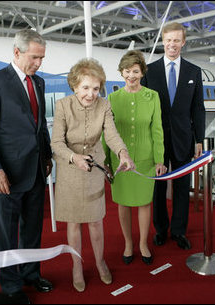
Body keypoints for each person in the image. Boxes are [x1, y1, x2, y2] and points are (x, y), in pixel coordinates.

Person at [0, 29, 53, 304]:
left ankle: (31, 273)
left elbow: (39, 126)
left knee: (32, 229)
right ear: (16, 53)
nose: (39, 64)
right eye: (34, 57)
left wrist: (48, 155)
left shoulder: (38, 83)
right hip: (5, 175)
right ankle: (10, 286)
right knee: (6, 233)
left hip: (36, 172)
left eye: (42, 58)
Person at [51, 58, 135, 293]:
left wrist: (123, 152)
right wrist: (74, 158)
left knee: (96, 221)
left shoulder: (104, 106)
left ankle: (99, 261)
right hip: (69, 169)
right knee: (74, 222)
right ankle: (77, 266)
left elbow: (112, 135)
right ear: (75, 86)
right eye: (85, 88)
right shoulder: (62, 106)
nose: (91, 94)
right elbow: (56, 142)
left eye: (96, 88)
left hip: (94, 169)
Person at [141, 22, 205, 250]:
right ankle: (160, 229)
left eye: (177, 40)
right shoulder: (149, 71)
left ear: (183, 42)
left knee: (181, 186)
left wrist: (199, 139)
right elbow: (144, 108)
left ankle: (178, 231)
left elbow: (198, 108)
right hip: (156, 141)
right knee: (158, 187)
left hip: (183, 139)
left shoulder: (193, 72)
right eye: (168, 40)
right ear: (163, 41)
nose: (172, 44)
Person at [103, 50, 166, 266]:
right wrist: (105, 162)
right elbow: (106, 131)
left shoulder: (153, 96)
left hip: (146, 159)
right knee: (123, 203)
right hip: (118, 160)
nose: (131, 76)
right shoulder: (112, 98)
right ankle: (128, 243)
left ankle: (143, 244)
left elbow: (157, 130)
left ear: (142, 72)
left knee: (144, 203)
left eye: (136, 71)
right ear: (121, 73)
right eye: (127, 71)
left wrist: (159, 159)